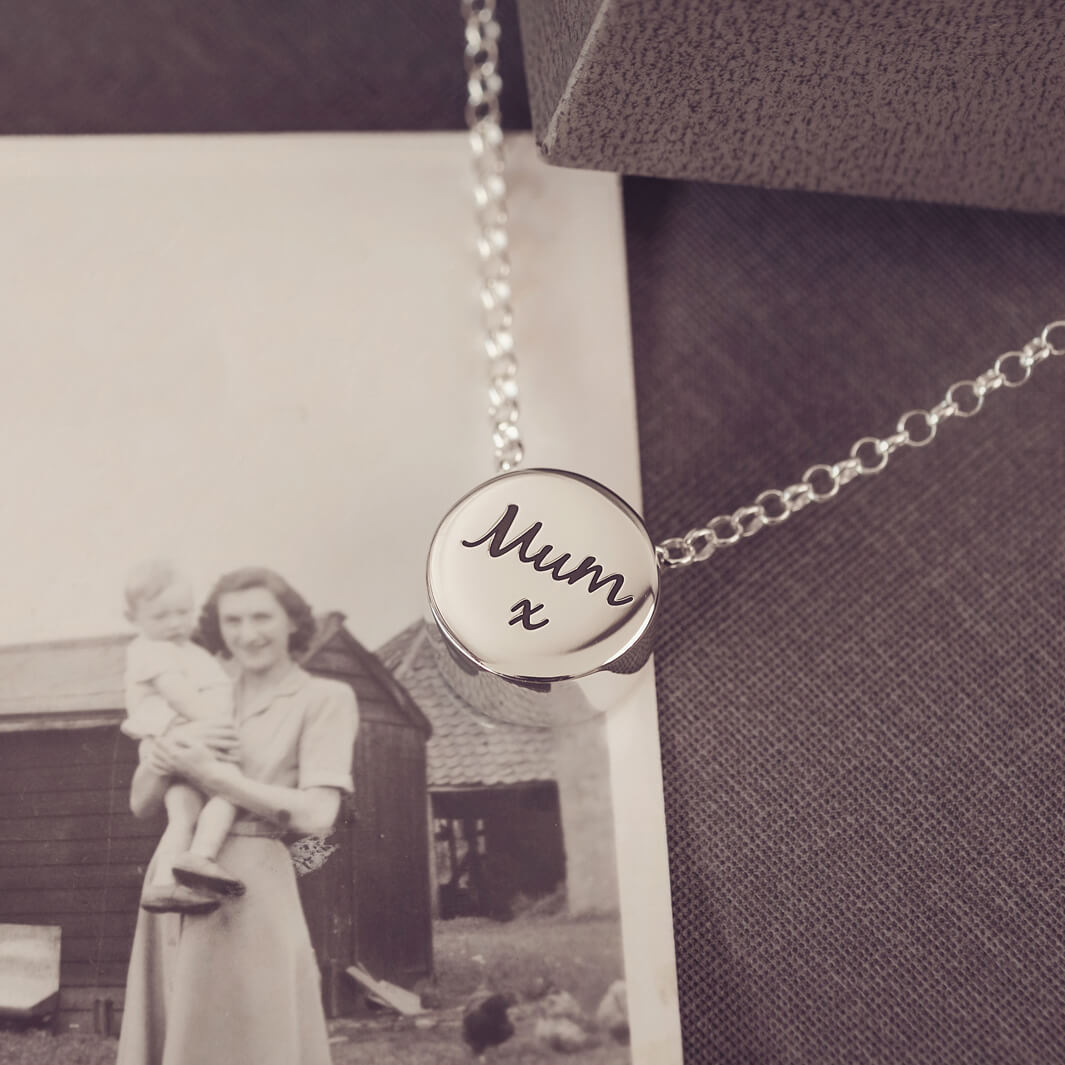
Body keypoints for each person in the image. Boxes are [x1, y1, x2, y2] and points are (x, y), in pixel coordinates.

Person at [116, 567, 359, 1065]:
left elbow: (319, 814)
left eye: (262, 617)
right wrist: (165, 756)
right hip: (171, 878)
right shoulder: (204, 690)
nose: (248, 634)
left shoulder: (325, 698)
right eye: (233, 621)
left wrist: (212, 776)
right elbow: (141, 804)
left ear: (293, 621)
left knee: (253, 1037)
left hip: (250, 887)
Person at [121, 559, 244, 914]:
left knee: (183, 814)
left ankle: (164, 885)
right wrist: (220, 726)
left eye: (182, 612)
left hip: (177, 742)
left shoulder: (189, 651)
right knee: (230, 789)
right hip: (181, 736)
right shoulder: (150, 650)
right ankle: (201, 856)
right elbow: (178, 695)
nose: (175, 623)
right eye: (161, 615)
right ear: (133, 618)